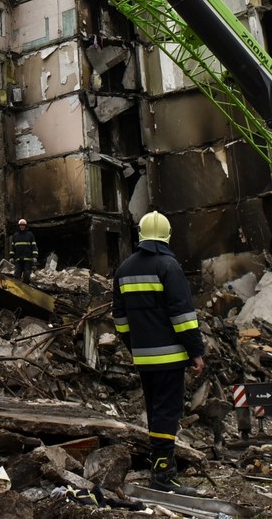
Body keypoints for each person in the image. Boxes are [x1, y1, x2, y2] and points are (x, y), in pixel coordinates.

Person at [112, 211, 205, 495]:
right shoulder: (169, 266)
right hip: (170, 357)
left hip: (143, 357)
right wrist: (196, 352)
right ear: (166, 235)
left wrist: (135, 347)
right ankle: (163, 475)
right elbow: (183, 316)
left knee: (155, 412)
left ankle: (160, 468)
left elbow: (120, 319)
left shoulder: (124, 269)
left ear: (140, 234)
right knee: (167, 412)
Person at [10, 218, 39, 283]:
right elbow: (12, 248)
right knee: (16, 276)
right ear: (19, 226)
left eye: (23, 225)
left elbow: (34, 246)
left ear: (25, 226)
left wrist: (34, 256)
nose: (22, 226)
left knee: (26, 276)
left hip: (28, 260)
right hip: (18, 260)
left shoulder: (30, 235)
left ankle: (25, 289)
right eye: (21, 225)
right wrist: (11, 257)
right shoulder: (15, 235)